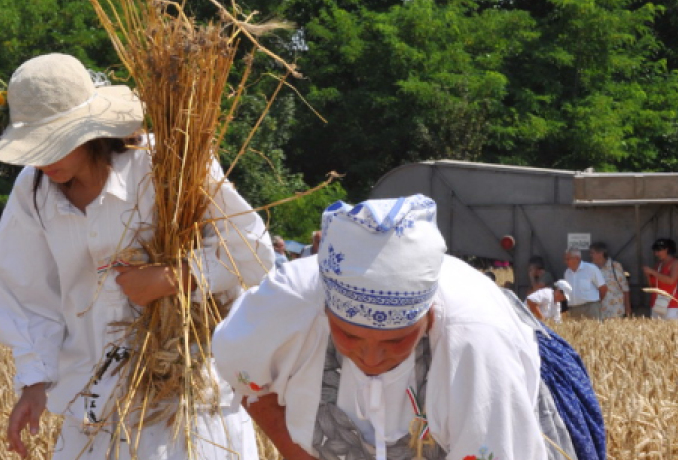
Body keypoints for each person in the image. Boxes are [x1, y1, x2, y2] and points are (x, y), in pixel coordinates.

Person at [0, 53, 274, 459]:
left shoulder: (165, 164)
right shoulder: (33, 190)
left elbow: (251, 247)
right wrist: (34, 383)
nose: (41, 158)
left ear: (88, 131)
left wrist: (174, 278)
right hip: (92, 400)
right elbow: (23, 291)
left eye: (54, 143)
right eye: (33, 146)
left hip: (182, 393)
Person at [214, 195, 605, 460]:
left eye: (396, 340)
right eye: (349, 335)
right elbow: (252, 386)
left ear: (429, 316)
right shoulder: (287, 306)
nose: (371, 357)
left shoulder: (475, 340)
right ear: (325, 311)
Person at [588, 242, 631, 319]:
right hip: (597, 311)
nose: (590, 256)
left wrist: (628, 308)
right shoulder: (589, 268)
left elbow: (625, 288)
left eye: (592, 253)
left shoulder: (615, 266)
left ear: (601, 253)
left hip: (615, 311)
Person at [564, 248, 607, 320]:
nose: (566, 262)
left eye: (568, 259)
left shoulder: (591, 269)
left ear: (577, 258)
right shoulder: (567, 273)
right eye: (565, 259)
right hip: (573, 309)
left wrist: (596, 302)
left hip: (590, 308)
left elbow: (603, 288)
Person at [643, 238, 678, 320]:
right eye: (655, 251)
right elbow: (651, 286)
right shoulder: (658, 265)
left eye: (658, 251)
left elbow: (671, 280)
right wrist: (647, 275)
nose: (656, 254)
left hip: (670, 304)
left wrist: (652, 272)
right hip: (656, 303)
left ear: (666, 250)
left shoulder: (675, 263)